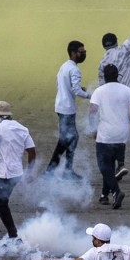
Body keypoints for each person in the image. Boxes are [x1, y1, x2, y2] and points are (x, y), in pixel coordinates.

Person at [0, 100, 35, 238]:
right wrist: (30, 172)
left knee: (0, 203)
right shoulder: (22, 128)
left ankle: (13, 235)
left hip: (5, 173)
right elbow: (32, 151)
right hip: (17, 173)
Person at [88, 63, 130, 209]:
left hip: (106, 135)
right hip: (122, 135)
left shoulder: (99, 91)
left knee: (105, 167)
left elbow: (92, 112)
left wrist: (92, 129)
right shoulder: (128, 91)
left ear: (104, 77)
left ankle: (116, 192)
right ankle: (104, 195)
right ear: (118, 75)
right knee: (110, 167)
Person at [49, 40, 92, 174]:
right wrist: (89, 95)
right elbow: (76, 90)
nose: (84, 54)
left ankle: (63, 169)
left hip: (61, 106)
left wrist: (79, 88)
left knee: (69, 138)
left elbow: (61, 84)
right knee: (67, 139)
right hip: (67, 109)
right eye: (81, 52)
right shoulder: (75, 69)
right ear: (73, 53)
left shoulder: (64, 66)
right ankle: (56, 170)